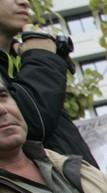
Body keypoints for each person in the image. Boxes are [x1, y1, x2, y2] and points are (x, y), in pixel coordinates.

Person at [0, 0, 96, 165]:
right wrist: (42, 57)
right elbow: (32, 125)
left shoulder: (21, 58)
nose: (24, 2)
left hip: (77, 183)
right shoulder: (36, 58)